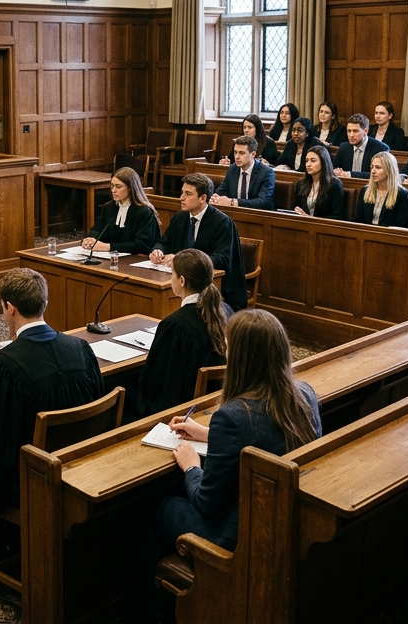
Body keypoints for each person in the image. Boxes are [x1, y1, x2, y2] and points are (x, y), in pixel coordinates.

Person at [155, 308, 321, 552]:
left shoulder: (232, 417)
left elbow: (207, 504)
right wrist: (208, 434)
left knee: (157, 504)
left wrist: (191, 466)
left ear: (241, 358)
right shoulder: (305, 394)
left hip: (236, 537)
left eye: (228, 347)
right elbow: (265, 437)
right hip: (283, 519)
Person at [0, 269, 104, 524]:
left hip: (26, 478)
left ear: (10, 308)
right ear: (43, 302)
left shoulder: (0, 366)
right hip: (80, 463)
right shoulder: (80, 348)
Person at [135, 249, 231, 418]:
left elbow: (156, 381)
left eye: (172, 274)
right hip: (219, 399)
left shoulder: (175, 326)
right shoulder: (226, 310)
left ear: (181, 280)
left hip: (181, 410)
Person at [151, 174, 247, 311]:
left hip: (213, 288)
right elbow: (164, 241)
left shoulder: (222, 222)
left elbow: (221, 258)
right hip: (180, 282)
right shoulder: (179, 217)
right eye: (182, 192)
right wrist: (158, 250)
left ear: (203, 198)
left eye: (188, 194)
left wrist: (182, 261)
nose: (181, 198)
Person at [81, 167, 159, 255]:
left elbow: (142, 245)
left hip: (136, 259)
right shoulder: (109, 208)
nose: (113, 190)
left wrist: (108, 247)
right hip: (111, 257)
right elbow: (97, 229)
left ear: (130, 188)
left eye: (118, 187)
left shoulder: (144, 212)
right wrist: (91, 239)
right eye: (112, 186)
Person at [212, 136, 276, 211]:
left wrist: (233, 202)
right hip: (235, 213)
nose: (237, 157)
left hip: (260, 216)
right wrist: (215, 198)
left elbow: (264, 202)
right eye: (235, 152)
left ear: (253, 154)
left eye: (241, 153)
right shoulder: (232, 169)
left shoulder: (266, 172)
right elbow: (220, 192)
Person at [353, 151, 408, 228]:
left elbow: (401, 225)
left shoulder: (402, 194)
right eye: (372, 167)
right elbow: (358, 219)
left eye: (378, 167)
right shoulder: (365, 190)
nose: (373, 171)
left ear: (389, 170)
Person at [292, 145, 346, 219]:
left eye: (313, 161)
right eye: (307, 161)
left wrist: (311, 219)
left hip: (324, 228)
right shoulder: (301, 184)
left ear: (323, 162)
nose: (308, 164)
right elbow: (295, 209)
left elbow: (338, 216)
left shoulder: (335, 185)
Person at [332, 114, 389, 179]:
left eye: (355, 131)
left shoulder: (381, 149)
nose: (351, 135)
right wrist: (337, 172)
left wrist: (350, 174)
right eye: (349, 131)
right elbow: (334, 169)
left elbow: (381, 174)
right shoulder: (344, 147)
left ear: (365, 131)